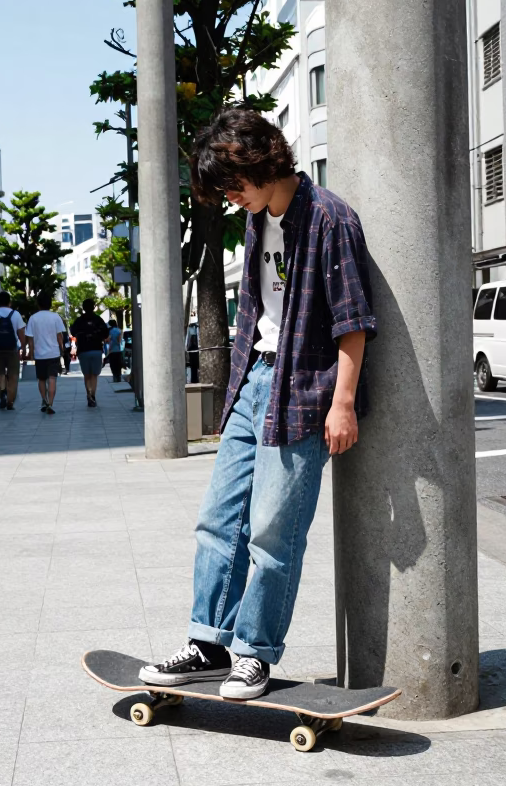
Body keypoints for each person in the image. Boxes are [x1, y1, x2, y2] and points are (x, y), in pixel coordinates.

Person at [139, 109, 376, 699]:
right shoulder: (255, 221)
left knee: (274, 531)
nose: (230, 196)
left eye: (233, 184)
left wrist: (342, 402)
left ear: (263, 163)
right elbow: (256, 311)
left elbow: (354, 322)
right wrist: (239, 385)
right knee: (219, 521)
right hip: (253, 383)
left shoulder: (329, 218)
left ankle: (254, 653)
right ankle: (208, 643)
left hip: (303, 390)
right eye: (223, 189)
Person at [23, 291, 66, 415]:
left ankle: (45, 400)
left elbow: (30, 338)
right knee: (52, 379)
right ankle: (51, 404)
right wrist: (61, 349)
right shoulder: (56, 317)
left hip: (40, 354)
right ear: (50, 303)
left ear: (38, 304)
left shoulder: (33, 318)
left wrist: (31, 352)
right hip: (53, 353)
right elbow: (60, 337)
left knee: (41, 379)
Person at [0, 291, 26, 410]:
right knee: (13, 375)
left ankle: (2, 392)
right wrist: (23, 347)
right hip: (12, 349)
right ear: (9, 302)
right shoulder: (15, 314)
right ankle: (10, 402)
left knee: (0, 372)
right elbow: (21, 333)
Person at [70, 299, 110, 407]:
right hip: (96, 349)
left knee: (86, 375)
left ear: (83, 308)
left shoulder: (79, 320)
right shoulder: (98, 320)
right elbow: (106, 333)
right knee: (94, 375)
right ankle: (93, 395)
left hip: (83, 350)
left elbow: (73, 331)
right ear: (93, 307)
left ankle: (88, 394)